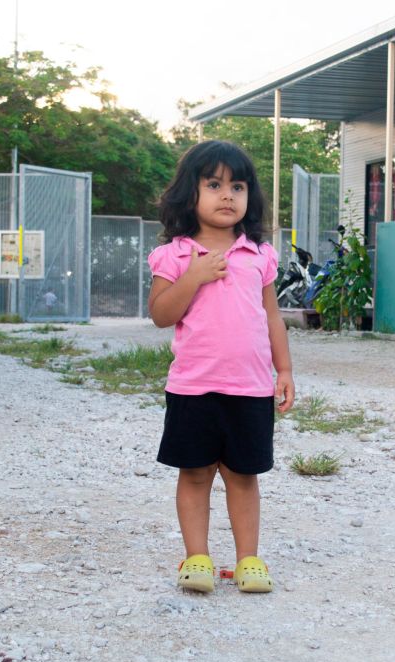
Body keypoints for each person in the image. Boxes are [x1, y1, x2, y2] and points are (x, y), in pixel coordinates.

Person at [147, 140, 295, 595]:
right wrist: (194, 276)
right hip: (194, 388)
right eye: (214, 184)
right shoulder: (174, 255)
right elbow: (160, 314)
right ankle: (198, 559)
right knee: (194, 473)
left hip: (249, 388)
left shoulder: (259, 255)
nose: (227, 195)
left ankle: (249, 560)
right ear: (189, 193)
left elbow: (271, 316)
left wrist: (284, 371)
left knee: (243, 476)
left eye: (238, 186)